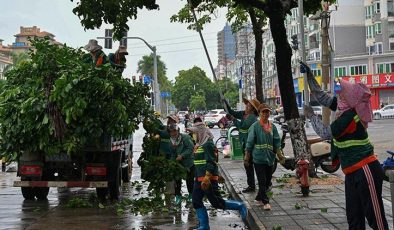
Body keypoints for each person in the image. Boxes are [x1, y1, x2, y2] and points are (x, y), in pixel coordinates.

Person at [301, 63, 388, 230]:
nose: (339, 96)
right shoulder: (345, 108)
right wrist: (310, 77)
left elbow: (326, 133)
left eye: (342, 95)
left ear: (349, 100)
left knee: (375, 219)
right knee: (354, 219)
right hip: (351, 172)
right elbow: (323, 97)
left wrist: (311, 116)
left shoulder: (349, 116)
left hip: (365, 169)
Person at [187, 122, 247, 230]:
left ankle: (239, 205)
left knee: (216, 202)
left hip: (207, 179)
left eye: (194, 133)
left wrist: (207, 177)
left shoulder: (208, 144)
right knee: (196, 201)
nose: (193, 135)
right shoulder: (198, 145)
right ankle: (204, 226)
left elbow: (211, 162)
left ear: (200, 133)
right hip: (198, 179)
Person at [245, 103, 283, 210]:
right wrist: (247, 157)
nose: (265, 114)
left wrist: (279, 154)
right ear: (259, 113)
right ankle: (266, 202)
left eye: (267, 112)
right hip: (258, 158)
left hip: (270, 158)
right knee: (262, 180)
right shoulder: (255, 127)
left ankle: (258, 198)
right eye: (263, 112)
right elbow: (249, 142)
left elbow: (276, 141)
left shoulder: (272, 127)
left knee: (267, 181)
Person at [223, 98, 260, 193]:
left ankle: (259, 184)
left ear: (252, 109)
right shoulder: (244, 114)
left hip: (251, 144)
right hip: (244, 143)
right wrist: (225, 103)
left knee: (252, 164)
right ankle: (251, 185)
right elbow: (232, 112)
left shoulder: (252, 118)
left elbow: (242, 126)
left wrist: (233, 119)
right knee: (247, 165)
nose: (246, 106)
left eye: (249, 105)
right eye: (247, 104)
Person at [167, 124, 195, 205]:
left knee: (189, 180)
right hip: (178, 164)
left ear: (178, 131)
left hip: (188, 162)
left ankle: (191, 195)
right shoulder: (170, 141)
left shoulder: (185, 138)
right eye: (171, 132)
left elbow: (191, 148)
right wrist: (172, 162)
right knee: (177, 180)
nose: (173, 133)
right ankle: (178, 196)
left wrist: (182, 155)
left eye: (175, 131)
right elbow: (172, 153)